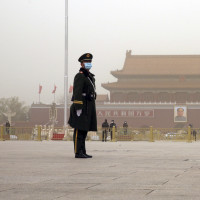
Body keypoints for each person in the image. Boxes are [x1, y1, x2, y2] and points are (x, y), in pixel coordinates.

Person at [68, 53, 97, 158]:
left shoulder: (89, 76)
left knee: (84, 130)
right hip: (80, 106)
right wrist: (78, 107)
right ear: (81, 63)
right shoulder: (80, 76)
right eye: (86, 62)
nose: (88, 63)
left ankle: (82, 151)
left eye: (90, 62)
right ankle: (77, 152)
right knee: (79, 131)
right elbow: (77, 92)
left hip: (88, 106)